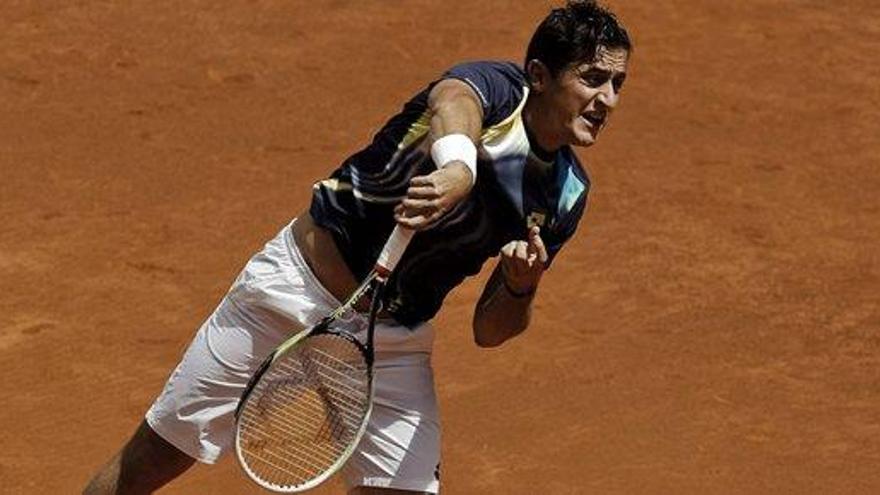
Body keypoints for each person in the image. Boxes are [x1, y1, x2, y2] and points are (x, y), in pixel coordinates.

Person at [83, 1, 631, 493]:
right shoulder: (491, 89)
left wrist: (521, 285)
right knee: (151, 462)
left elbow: (490, 333)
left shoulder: (564, 195)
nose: (607, 99)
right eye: (593, 79)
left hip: (389, 341)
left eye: (617, 84)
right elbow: (452, 102)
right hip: (292, 293)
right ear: (539, 75)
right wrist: (459, 169)